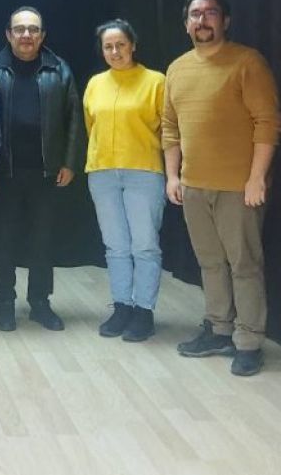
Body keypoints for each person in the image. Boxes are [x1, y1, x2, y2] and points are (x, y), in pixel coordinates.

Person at [165, 0, 281, 376]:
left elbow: (268, 122)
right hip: (193, 187)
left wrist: (257, 178)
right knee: (210, 263)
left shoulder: (247, 62)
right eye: (195, 14)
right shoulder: (177, 69)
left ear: (225, 21)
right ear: (186, 24)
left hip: (238, 187)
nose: (202, 20)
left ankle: (248, 341)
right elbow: (170, 127)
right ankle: (219, 330)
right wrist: (173, 176)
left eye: (211, 13)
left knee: (244, 265)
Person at [0, 6, 83, 332]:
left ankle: (40, 303)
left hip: (46, 172)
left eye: (33, 29)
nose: (26, 35)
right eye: (19, 29)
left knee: (42, 241)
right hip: (5, 172)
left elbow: (73, 119)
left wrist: (69, 162)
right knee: (3, 241)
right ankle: (5, 303)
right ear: (8, 34)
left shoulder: (59, 69)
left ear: (42, 35)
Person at [83, 19, 166, 342]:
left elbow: (168, 130)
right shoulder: (95, 84)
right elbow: (91, 126)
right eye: (108, 46)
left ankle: (144, 311)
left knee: (144, 245)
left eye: (120, 45)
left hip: (143, 171)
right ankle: (122, 307)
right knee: (115, 245)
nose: (115, 51)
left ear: (133, 45)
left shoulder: (156, 82)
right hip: (102, 172)